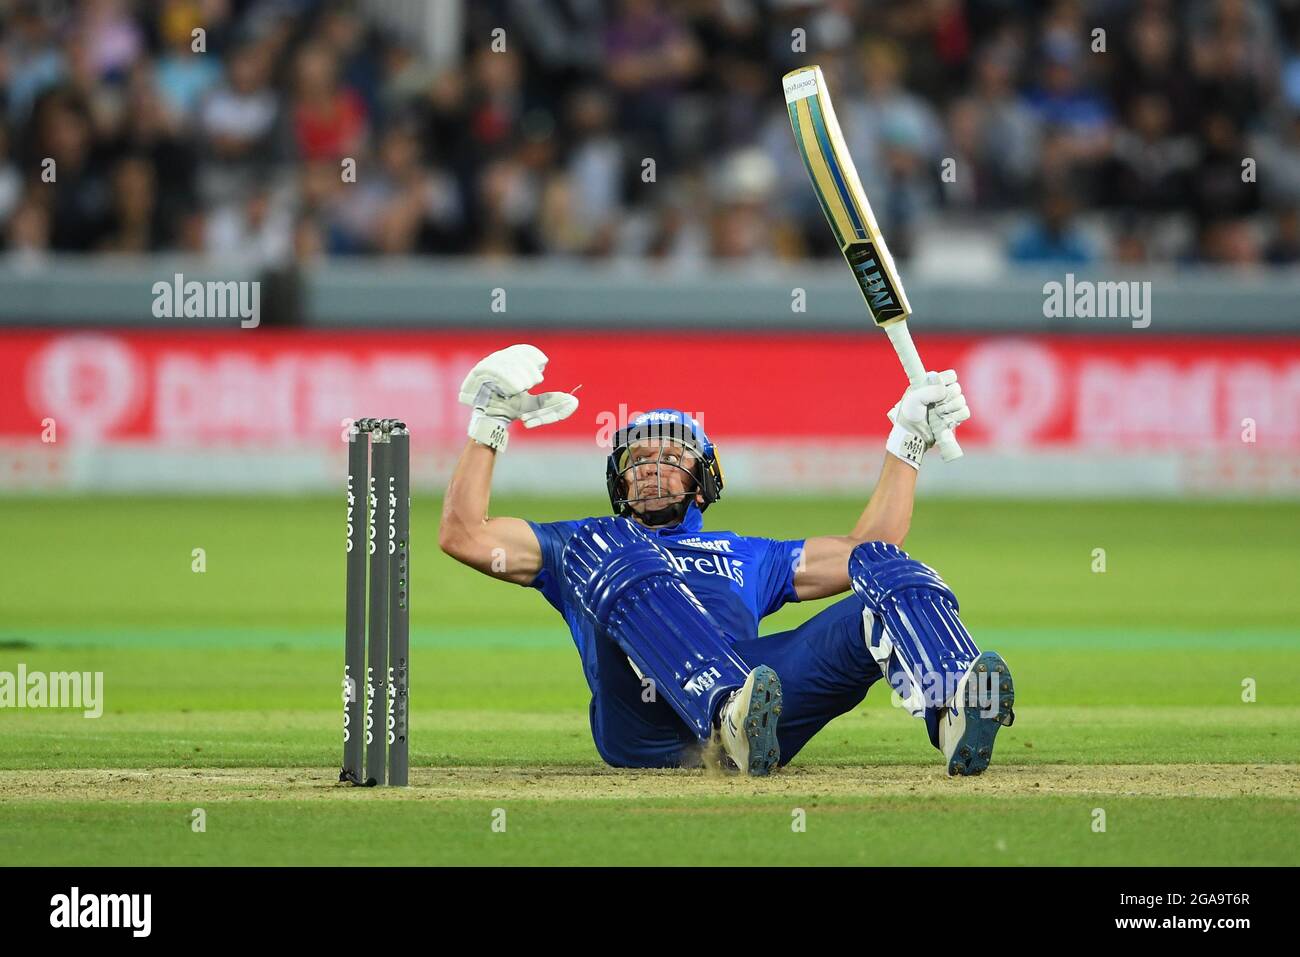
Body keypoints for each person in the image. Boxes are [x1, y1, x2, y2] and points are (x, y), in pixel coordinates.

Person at [439, 344, 1015, 776]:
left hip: (760, 708)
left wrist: (907, 438)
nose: (652, 468)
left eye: (672, 456)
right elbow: (465, 535)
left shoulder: (748, 555)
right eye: (638, 458)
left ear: (702, 479)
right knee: (607, 541)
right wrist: (490, 421)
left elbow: (869, 552)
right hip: (641, 727)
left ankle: (955, 704)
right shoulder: (583, 544)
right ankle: (724, 716)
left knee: (889, 569)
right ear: (618, 478)